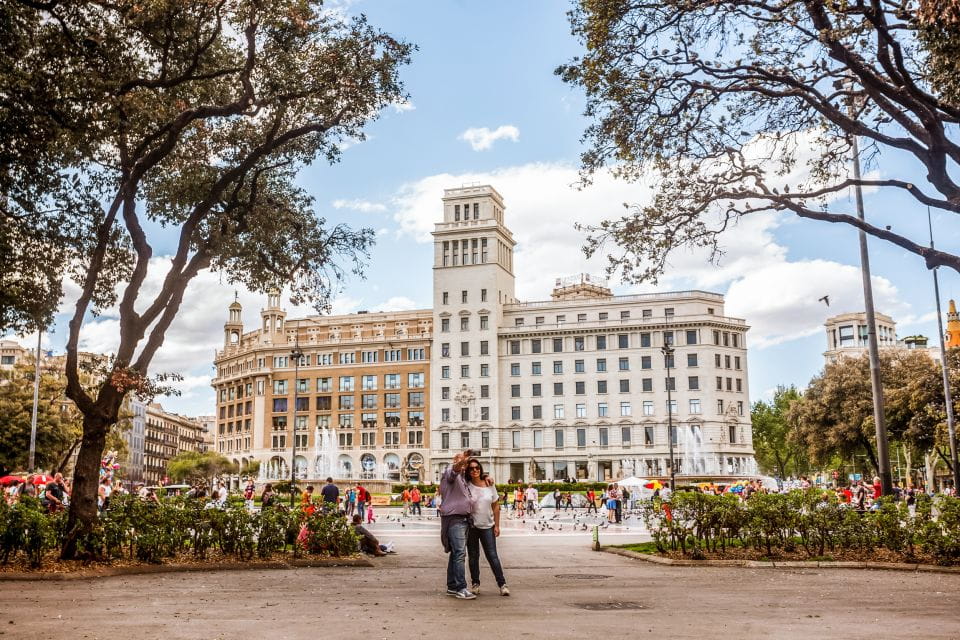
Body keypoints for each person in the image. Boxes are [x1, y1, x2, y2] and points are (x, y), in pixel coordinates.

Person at [439, 449, 482, 600]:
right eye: (459, 459)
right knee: (459, 554)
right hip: (454, 518)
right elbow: (456, 468)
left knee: (456, 553)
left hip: (462, 519)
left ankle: (452, 586)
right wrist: (464, 458)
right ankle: (460, 588)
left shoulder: (463, 479)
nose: (464, 462)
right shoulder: (450, 472)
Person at [465, 459, 510, 597]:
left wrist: (497, 525)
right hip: (472, 526)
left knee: (492, 555)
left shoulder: (489, 484)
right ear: (468, 471)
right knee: (473, 557)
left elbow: (496, 506)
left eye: (477, 468)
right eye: (471, 468)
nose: (474, 470)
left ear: (481, 469)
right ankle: (475, 584)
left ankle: (502, 584)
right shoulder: (466, 485)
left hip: (487, 526)